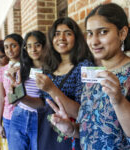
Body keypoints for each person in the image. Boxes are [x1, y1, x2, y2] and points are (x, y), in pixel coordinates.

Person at [47, 3, 130, 149]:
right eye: (90, 33)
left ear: (122, 33)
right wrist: (72, 129)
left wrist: (119, 101)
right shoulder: (93, 73)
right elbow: (93, 127)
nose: (94, 41)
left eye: (103, 32)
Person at [35, 17, 94, 150]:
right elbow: (42, 102)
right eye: (57, 34)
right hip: (47, 132)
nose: (61, 38)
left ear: (76, 38)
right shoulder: (48, 66)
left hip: (71, 135)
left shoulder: (84, 67)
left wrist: (51, 89)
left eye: (67, 33)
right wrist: (18, 95)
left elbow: (82, 112)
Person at [8, 31, 46, 150]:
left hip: (39, 118)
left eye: (37, 45)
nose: (33, 49)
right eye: (29, 46)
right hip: (19, 115)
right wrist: (14, 90)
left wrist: (21, 96)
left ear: (44, 46)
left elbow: (43, 104)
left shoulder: (51, 69)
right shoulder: (22, 68)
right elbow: (13, 102)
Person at [0, 33, 23, 143]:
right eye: (6, 47)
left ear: (21, 46)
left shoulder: (28, 68)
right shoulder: (2, 70)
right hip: (8, 117)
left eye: (13, 45)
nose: (9, 50)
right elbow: (1, 98)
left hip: (26, 115)